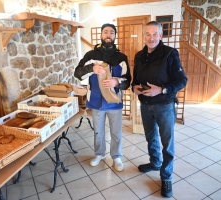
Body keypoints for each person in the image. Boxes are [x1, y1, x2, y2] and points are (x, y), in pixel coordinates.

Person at [132, 21, 188, 198]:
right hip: (145, 105)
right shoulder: (139, 55)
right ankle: (155, 162)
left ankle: (166, 177)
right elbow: (135, 79)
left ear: (161, 36)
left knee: (167, 142)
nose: (151, 38)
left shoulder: (170, 54)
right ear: (144, 36)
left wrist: (161, 89)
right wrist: (134, 87)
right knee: (150, 137)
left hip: (164, 105)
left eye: (155, 34)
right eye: (148, 34)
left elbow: (181, 80)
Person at [74, 23, 131, 171]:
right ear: (101, 35)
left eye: (111, 32)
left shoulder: (121, 57)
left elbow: (128, 81)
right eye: (105, 32)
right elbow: (78, 73)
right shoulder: (91, 56)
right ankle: (99, 153)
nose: (108, 34)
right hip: (96, 101)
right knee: (98, 131)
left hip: (114, 102)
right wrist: (91, 69)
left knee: (116, 131)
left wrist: (117, 81)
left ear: (114, 36)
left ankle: (116, 156)